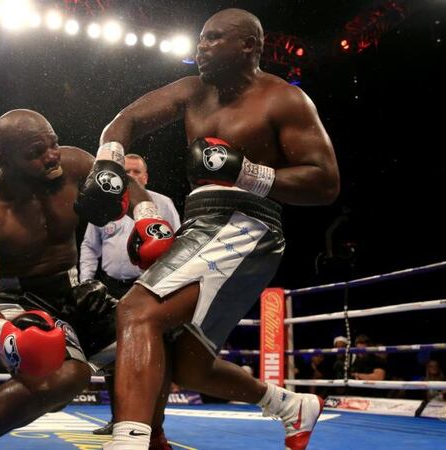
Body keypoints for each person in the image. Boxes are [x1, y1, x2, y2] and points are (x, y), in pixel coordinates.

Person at [96, 8, 340, 450]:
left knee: (135, 311)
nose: (200, 48)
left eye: (212, 39)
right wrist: (107, 165)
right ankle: (288, 405)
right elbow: (126, 120)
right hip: (200, 223)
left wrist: (246, 173)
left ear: (248, 45)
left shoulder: (284, 99)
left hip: (249, 223)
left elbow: (325, 181)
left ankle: (129, 441)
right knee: (186, 360)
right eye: (200, 39)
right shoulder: (194, 90)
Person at [0, 109, 175, 450]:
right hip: (19, 300)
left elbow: (125, 184)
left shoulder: (73, 165)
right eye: (35, 153)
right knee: (65, 379)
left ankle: (152, 436)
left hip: (72, 290)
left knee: (156, 335)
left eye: (53, 144)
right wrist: (7, 336)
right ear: (4, 159)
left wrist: (146, 219)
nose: (50, 157)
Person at [79, 153, 180, 435]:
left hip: (150, 285)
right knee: (114, 356)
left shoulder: (162, 204)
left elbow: (179, 243)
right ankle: (117, 419)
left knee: (155, 354)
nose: (132, 177)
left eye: (137, 172)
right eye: (127, 173)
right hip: (111, 287)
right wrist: (86, 282)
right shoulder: (104, 203)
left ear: (146, 177)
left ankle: (154, 424)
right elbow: (89, 247)